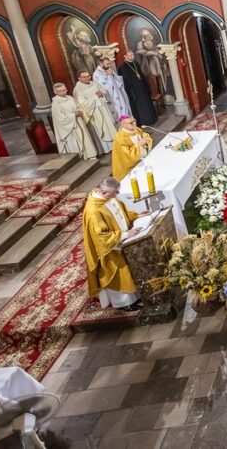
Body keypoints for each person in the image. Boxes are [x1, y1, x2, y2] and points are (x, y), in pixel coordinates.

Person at [83, 177, 145, 311]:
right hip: (110, 249)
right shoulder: (93, 210)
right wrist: (125, 234)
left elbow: (122, 212)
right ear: (105, 192)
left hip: (122, 241)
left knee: (128, 271)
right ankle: (123, 304)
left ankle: (134, 298)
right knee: (117, 272)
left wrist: (137, 216)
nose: (118, 194)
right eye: (116, 192)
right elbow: (101, 237)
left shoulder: (108, 198)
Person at [51, 82, 98, 159]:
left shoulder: (70, 98)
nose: (64, 92)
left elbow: (78, 106)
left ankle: (89, 155)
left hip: (78, 122)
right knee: (75, 142)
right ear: (55, 92)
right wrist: (74, 115)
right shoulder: (56, 104)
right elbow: (60, 119)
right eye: (61, 91)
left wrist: (80, 110)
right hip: (69, 129)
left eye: (64, 90)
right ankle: (80, 158)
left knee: (84, 138)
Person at [74, 70, 117, 154]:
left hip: (102, 109)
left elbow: (103, 91)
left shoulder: (94, 83)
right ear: (79, 78)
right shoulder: (77, 89)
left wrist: (102, 93)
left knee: (108, 126)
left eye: (88, 76)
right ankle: (105, 149)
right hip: (93, 112)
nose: (87, 78)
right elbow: (81, 103)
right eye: (84, 77)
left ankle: (114, 146)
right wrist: (95, 97)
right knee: (100, 128)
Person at [119, 49, 156, 126]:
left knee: (147, 103)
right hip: (134, 91)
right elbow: (126, 81)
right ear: (125, 56)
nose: (132, 57)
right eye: (130, 55)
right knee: (139, 107)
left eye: (133, 55)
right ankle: (143, 122)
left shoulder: (136, 63)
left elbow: (141, 75)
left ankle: (152, 119)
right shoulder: (123, 67)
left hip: (142, 88)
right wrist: (131, 92)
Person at [110, 115, 152, 180]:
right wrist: (139, 145)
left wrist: (146, 138)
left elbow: (144, 135)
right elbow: (127, 156)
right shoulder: (120, 138)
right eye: (131, 123)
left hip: (143, 160)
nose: (134, 123)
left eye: (134, 121)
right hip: (130, 168)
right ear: (123, 125)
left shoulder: (136, 129)